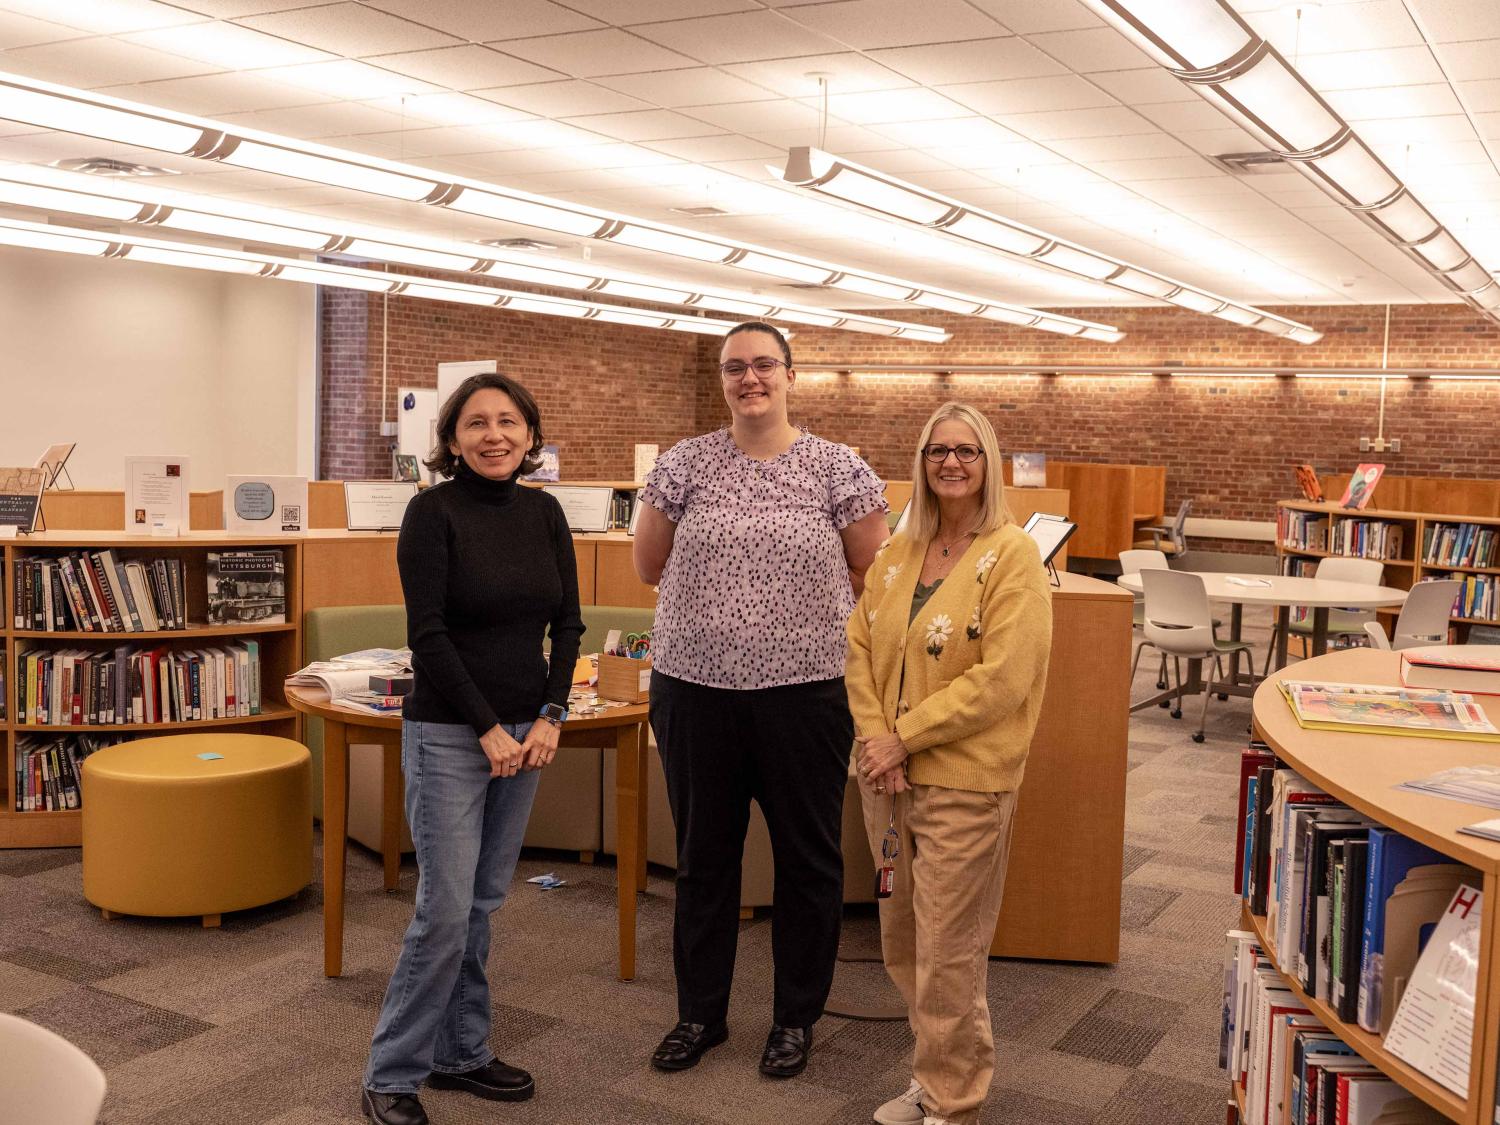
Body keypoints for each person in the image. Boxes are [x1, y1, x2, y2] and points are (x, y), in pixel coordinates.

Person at [633, 321, 889, 1079]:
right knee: (704, 858)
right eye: (735, 367)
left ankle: (793, 1018)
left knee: (807, 860)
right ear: (721, 379)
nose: (750, 379)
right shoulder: (685, 463)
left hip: (804, 694)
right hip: (694, 689)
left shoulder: (836, 467)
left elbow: (871, 575)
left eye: (764, 365)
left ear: (789, 375)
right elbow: (649, 564)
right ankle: (699, 1013)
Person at [361, 373, 584, 1125]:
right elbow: (429, 632)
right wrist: (489, 724)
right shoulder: (432, 513)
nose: (495, 435)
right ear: (452, 439)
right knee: (446, 909)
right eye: (478, 423)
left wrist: (550, 714)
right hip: (452, 733)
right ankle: (392, 1070)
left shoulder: (546, 512)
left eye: (509, 421)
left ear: (529, 434)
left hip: (528, 731)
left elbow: (570, 627)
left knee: (483, 903)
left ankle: (462, 1050)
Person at [845, 402, 1053, 1125]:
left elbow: (1005, 676)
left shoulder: (1013, 554)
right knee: (902, 942)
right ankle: (932, 1079)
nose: (951, 462)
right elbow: (859, 650)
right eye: (938, 450)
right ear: (922, 461)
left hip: (964, 781)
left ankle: (955, 1102)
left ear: (988, 462)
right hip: (888, 782)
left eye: (966, 450)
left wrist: (904, 736)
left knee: (948, 952)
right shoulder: (900, 551)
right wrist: (878, 740)